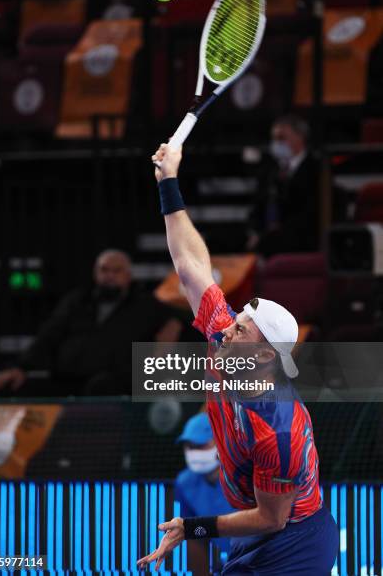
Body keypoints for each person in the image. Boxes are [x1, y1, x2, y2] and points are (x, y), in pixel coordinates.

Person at [137, 143, 338, 574]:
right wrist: (169, 182)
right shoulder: (223, 340)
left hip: (296, 540)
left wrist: (192, 528)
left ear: (265, 354)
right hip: (256, 529)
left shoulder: (279, 429)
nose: (228, 329)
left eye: (242, 327)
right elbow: (191, 265)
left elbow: (272, 517)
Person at [0, 249, 184, 396]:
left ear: (128, 276)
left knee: (102, 386)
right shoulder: (77, 301)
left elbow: (186, 312)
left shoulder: (146, 306)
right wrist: (20, 368)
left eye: (116, 271)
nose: (109, 276)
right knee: (17, 387)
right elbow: (48, 335)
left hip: (116, 384)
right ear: (95, 273)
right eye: (104, 270)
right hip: (67, 379)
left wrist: (174, 323)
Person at [247, 114, 320, 257]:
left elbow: (310, 214)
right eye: (274, 139)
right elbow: (257, 206)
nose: (276, 144)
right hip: (268, 238)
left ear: (300, 137)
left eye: (281, 138)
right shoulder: (270, 170)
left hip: (300, 240)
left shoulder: (316, 169)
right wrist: (254, 231)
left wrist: (272, 236)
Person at [175, 412, 235, 574]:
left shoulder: (245, 474)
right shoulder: (184, 483)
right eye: (189, 446)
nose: (193, 451)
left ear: (221, 442)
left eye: (200, 445)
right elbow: (194, 538)